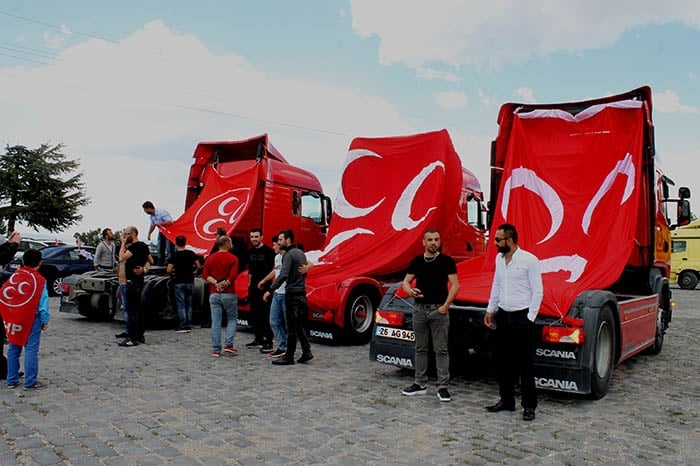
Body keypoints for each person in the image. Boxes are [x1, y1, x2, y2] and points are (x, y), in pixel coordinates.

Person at [484, 223, 543, 421]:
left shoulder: (529, 260)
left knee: (525, 364)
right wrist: (490, 309)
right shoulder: (499, 259)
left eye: (498, 239)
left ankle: (529, 406)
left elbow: (537, 290)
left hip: (522, 317)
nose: (495, 243)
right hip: (503, 315)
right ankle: (507, 401)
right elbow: (496, 284)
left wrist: (530, 318)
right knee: (502, 362)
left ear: (509, 240)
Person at [400, 229, 459, 402]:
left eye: (436, 239)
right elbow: (406, 282)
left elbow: (455, 285)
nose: (434, 242)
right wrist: (410, 291)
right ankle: (419, 383)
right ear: (423, 242)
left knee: (441, 349)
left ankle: (442, 387)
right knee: (420, 348)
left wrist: (446, 306)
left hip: (438, 310)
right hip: (419, 309)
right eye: (430, 240)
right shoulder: (417, 261)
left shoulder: (447, 261)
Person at [1, 249, 50, 390]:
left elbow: (5, 295)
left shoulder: (15, 276)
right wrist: (45, 320)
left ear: (23, 262)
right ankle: (30, 381)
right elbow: (43, 303)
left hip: (14, 316)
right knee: (31, 349)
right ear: (40, 263)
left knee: (13, 347)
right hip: (31, 318)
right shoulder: (39, 280)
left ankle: (11, 379)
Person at [265, 230, 313, 366]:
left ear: (288, 240)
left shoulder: (288, 255)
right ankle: (306, 351)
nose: (278, 243)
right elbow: (305, 269)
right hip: (301, 293)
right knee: (298, 325)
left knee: (292, 326)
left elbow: (283, 275)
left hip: (292, 293)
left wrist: (270, 289)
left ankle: (289, 356)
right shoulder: (300, 253)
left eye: (280, 240)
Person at [203, 235, 239, 357]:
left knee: (216, 321)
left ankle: (216, 348)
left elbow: (205, 275)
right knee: (232, 318)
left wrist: (216, 283)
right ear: (227, 244)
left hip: (214, 293)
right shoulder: (233, 258)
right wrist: (224, 284)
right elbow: (232, 275)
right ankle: (229, 344)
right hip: (229, 293)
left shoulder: (210, 258)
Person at [117, 226, 153, 347]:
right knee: (138, 310)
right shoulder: (144, 246)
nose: (125, 236)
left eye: (126, 234)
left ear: (133, 234)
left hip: (132, 281)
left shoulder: (135, 246)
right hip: (139, 280)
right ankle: (140, 335)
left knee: (132, 310)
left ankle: (131, 338)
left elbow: (121, 257)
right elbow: (150, 260)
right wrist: (144, 269)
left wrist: (122, 243)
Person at [246, 228, 275, 353]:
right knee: (255, 314)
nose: (254, 239)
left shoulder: (269, 252)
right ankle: (258, 339)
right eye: (252, 237)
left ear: (261, 237)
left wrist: (266, 284)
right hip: (253, 288)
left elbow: (273, 270)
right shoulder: (250, 252)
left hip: (265, 288)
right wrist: (249, 285)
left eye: (256, 237)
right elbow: (250, 272)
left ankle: (268, 340)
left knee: (265, 314)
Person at [259, 235, 288, 359]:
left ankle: (288, 348)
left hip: (286, 294)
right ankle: (282, 346)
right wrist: (264, 280)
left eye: (275, 244)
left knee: (288, 323)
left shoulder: (288, 257)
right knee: (274, 321)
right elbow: (275, 272)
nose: (273, 247)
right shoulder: (277, 257)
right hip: (277, 294)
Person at [167, 235, 201, 333]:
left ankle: (182, 325)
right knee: (189, 304)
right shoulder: (191, 253)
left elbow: (169, 269)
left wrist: (172, 274)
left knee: (181, 304)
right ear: (185, 242)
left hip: (179, 281)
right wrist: (193, 272)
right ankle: (189, 324)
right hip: (190, 280)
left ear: (176, 243)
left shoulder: (174, 255)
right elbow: (198, 266)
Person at [142, 200, 174, 266]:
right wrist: (149, 233)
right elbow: (152, 225)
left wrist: (160, 224)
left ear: (149, 208)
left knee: (169, 250)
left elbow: (170, 222)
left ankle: (170, 265)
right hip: (161, 232)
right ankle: (160, 265)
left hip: (169, 232)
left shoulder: (162, 212)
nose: (145, 212)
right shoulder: (151, 216)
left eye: (145, 210)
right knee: (160, 249)